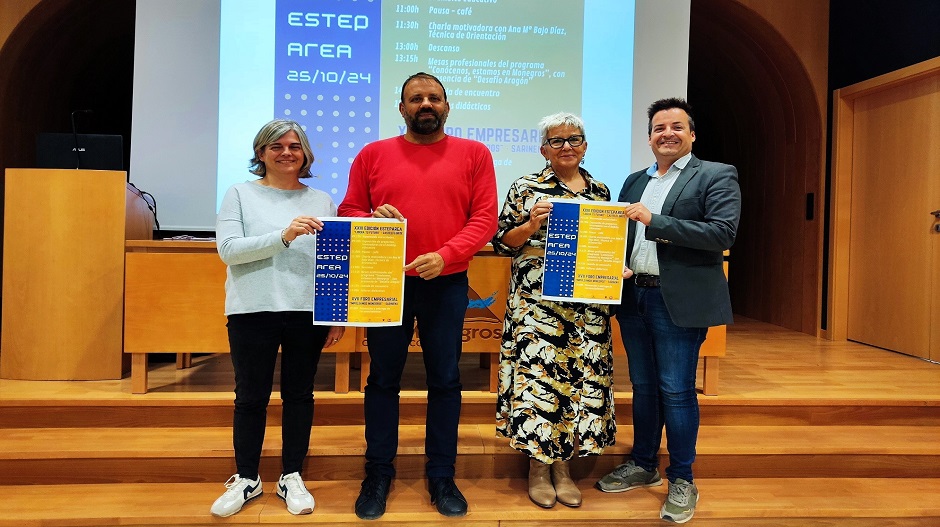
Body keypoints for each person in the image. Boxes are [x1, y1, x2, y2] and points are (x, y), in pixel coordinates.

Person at [338, 72, 498, 520]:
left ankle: (442, 474)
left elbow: (485, 218)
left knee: (445, 379)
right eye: (416, 98)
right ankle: (378, 473)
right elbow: (348, 209)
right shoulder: (373, 153)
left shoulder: (475, 153)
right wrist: (370, 215)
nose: (425, 104)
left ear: (447, 106)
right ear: (402, 107)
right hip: (384, 282)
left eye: (434, 97)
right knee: (382, 380)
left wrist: (446, 256)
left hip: (446, 284)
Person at [595, 98, 741, 524]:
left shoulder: (715, 174)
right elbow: (619, 232)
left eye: (677, 127)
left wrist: (654, 221)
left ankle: (682, 478)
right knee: (643, 386)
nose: (667, 134)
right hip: (634, 296)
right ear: (649, 137)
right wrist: (612, 263)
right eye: (659, 128)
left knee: (676, 390)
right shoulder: (633, 180)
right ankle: (643, 465)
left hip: (676, 301)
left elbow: (721, 233)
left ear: (691, 134)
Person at [211, 119, 345, 518]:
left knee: (299, 396)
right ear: (261, 153)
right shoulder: (239, 193)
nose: (286, 152)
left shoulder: (322, 200)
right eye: (276, 146)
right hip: (252, 310)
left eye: (294, 146)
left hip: (307, 312)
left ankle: (291, 475)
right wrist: (283, 236)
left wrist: (335, 315)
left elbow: (332, 264)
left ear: (305, 154)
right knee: (250, 397)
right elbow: (229, 251)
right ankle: (247, 478)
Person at [492, 112, 620, 509]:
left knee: (579, 382)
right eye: (557, 140)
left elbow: (604, 246)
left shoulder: (600, 190)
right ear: (544, 149)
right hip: (536, 304)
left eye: (574, 138)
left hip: (586, 306)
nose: (567, 146)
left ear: (585, 145)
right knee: (538, 383)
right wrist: (529, 225)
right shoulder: (526, 187)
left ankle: (563, 467)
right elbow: (502, 242)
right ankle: (536, 467)